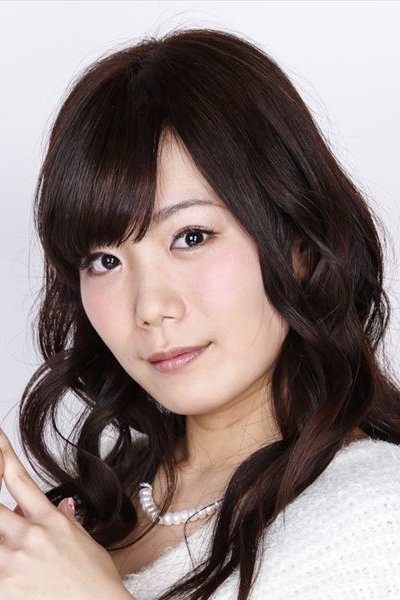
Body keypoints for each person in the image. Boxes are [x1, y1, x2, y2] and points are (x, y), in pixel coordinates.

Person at [0, 27, 399, 600]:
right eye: (105, 260)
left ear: (299, 245)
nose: (150, 308)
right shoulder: (80, 512)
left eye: (191, 237)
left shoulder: (377, 518)